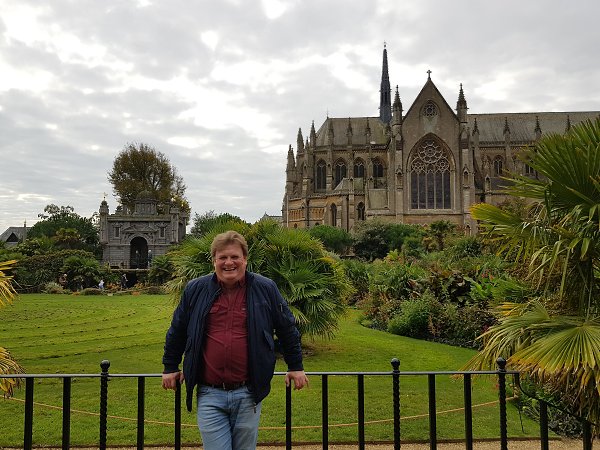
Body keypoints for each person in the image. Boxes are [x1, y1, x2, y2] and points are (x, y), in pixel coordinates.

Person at [162, 230, 308, 450]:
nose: (228, 262)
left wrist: (295, 366)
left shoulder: (265, 288)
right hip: (209, 393)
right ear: (214, 261)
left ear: (245, 259)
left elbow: (286, 328)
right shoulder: (196, 289)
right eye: (222, 257)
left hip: (248, 392)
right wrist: (170, 366)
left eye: (234, 257)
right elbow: (178, 329)